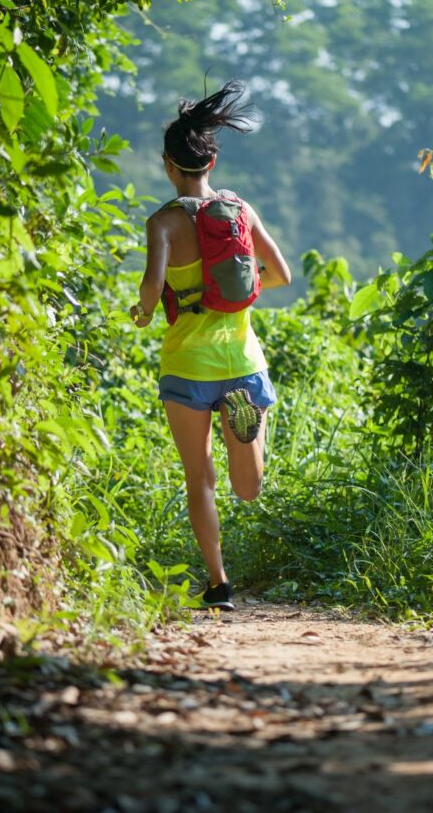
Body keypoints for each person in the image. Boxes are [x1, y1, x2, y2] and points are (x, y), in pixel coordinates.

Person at [130, 80, 292, 611]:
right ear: (211, 162)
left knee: (198, 476)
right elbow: (281, 275)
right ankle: (246, 425)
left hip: (186, 366)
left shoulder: (162, 223)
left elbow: (153, 290)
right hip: (241, 360)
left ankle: (218, 584)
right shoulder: (239, 210)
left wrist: (145, 309)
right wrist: (235, 291)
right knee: (248, 488)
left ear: (167, 165)